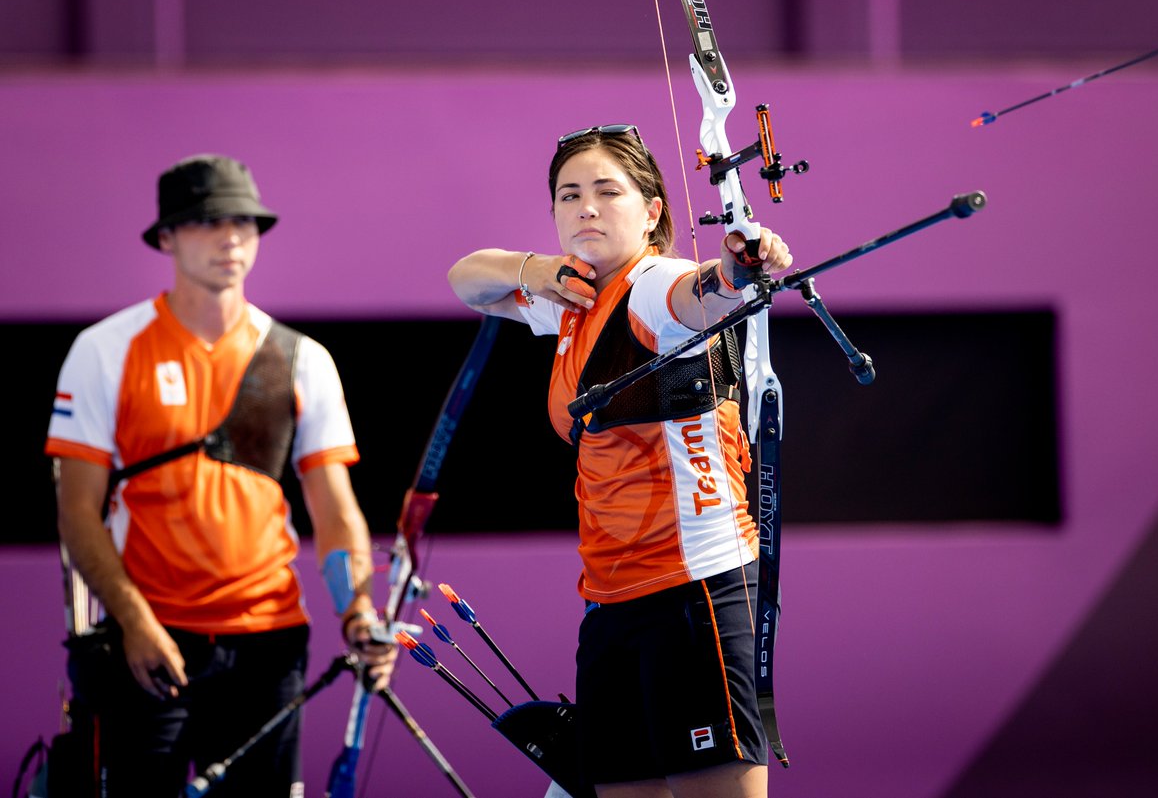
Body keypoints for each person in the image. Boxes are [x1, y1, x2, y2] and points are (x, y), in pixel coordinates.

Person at [448, 125, 793, 798]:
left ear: (652, 210)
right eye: (569, 194)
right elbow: (466, 277)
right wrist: (537, 269)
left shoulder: (650, 285)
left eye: (608, 191)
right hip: (611, 603)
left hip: (695, 591)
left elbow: (703, 295)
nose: (586, 208)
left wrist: (738, 270)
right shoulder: (571, 301)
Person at [45, 154, 396, 796]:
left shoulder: (301, 358)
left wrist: (357, 612)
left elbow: (335, 510)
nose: (231, 236)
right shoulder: (106, 349)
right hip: (148, 642)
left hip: (269, 647)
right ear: (167, 238)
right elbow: (76, 511)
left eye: (244, 221)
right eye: (208, 221)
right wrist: (135, 622)